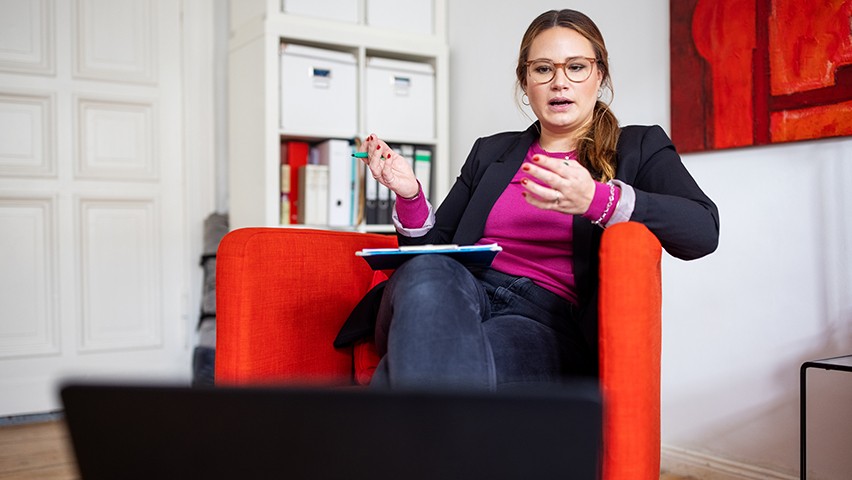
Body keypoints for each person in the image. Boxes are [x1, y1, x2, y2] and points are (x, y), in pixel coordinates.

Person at [347, 9, 719, 390]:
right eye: (543, 69)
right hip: (459, 290)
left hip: (543, 320)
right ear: (525, 82)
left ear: (600, 76)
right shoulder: (489, 152)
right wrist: (410, 195)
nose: (559, 82)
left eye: (576, 67)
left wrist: (600, 201)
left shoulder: (638, 147)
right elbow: (428, 255)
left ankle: (378, 437)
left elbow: (703, 230)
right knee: (427, 275)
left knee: (451, 361)